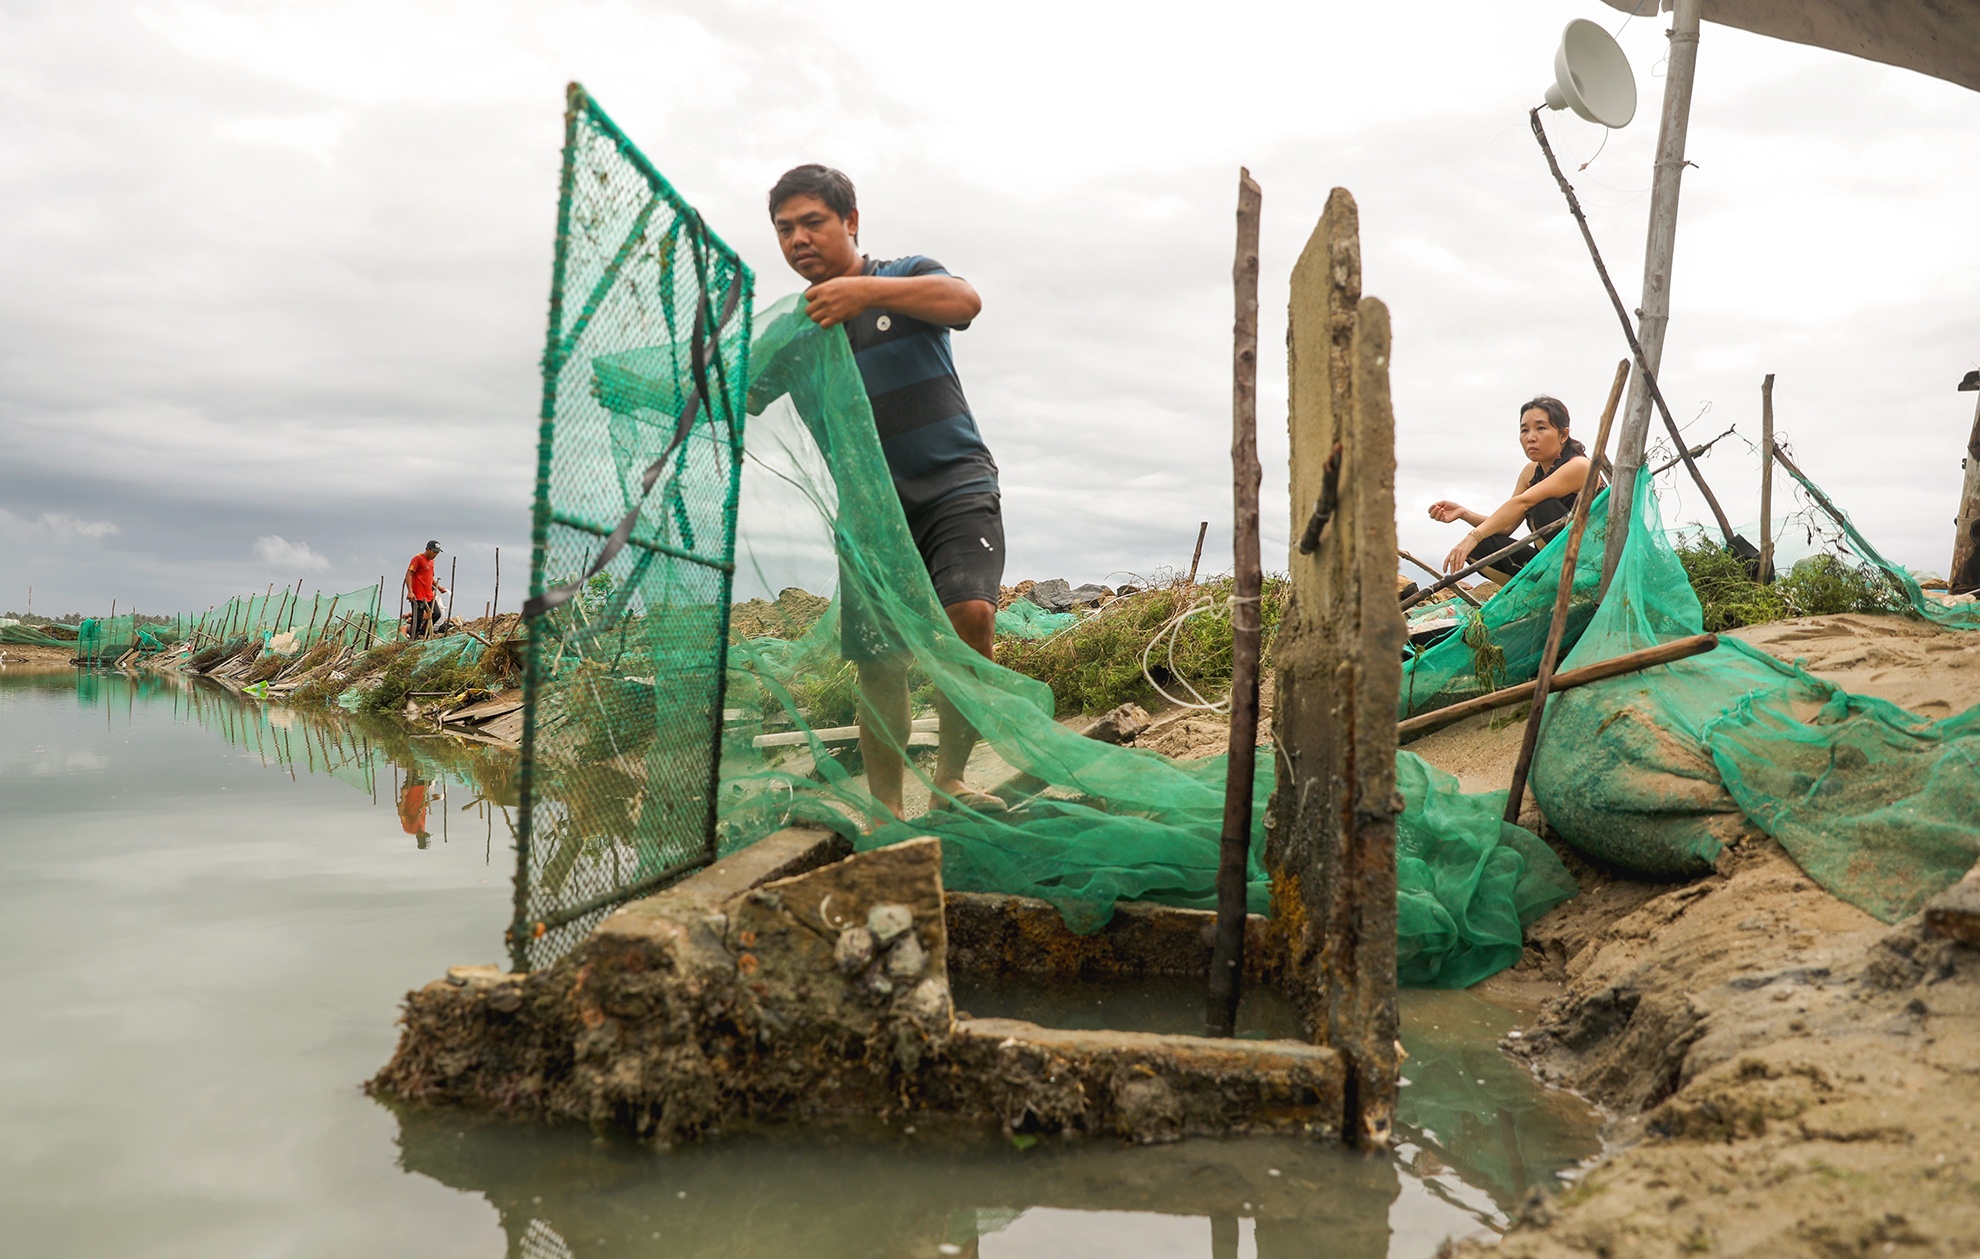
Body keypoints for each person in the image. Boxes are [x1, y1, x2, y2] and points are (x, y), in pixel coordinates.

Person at [760, 163, 1003, 822]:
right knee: (879, 660)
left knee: (971, 616)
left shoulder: (902, 276)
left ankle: (951, 779)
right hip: (870, 511)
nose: (798, 239)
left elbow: (965, 302)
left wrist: (864, 294)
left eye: (812, 222)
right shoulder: (793, 330)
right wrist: (655, 387)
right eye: (785, 229)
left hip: (954, 482)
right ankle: (886, 808)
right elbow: (737, 396)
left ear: (851, 222)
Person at [1429, 396, 1601, 582]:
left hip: (1589, 562)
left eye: (1541, 428)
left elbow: (1523, 503)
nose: (1531, 437)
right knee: (1481, 547)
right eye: (1524, 430)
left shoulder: (1580, 466)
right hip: (1549, 565)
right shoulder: (1530, 472)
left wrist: (1472, 536)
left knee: (1541, 506)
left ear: (1563, 435)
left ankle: (1566, 586)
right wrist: (1464, 514)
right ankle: (1534, 596)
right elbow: (1507, 525)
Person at [404, 540, 448, 639]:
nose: (435, 554)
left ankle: (423, 632)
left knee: (436, 614)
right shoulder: (418, 559)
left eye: (437, 552)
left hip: (428, 595)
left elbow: (430, 577)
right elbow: (409, 574)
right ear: (428, 549)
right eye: (434, 551)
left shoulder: (432, 562)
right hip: (418, 595)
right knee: (418, 618)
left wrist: (439, 587)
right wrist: (410, 592)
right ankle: (413, 637)